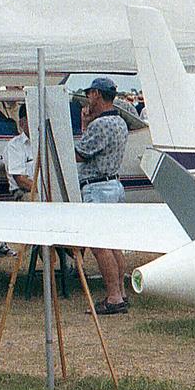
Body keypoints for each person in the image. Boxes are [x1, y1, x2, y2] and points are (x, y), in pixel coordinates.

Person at [74, 78, 130, 313]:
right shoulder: (119, 121)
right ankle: (121, 293)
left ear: (97, 94)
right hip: (113, 184)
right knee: (113, 244)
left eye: (89, 94)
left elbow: (80, 153)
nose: (88, 99)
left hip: (97, 187)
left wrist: (81, 129)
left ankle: (113, 297)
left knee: (99, 245)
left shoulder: (101, 125)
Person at [2, 106, 35, 200]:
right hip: (25, 191)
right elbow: (21, 180)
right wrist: (42, 191)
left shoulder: (46, 143)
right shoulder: (14, 146)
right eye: (31, 120)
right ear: (22, 123)